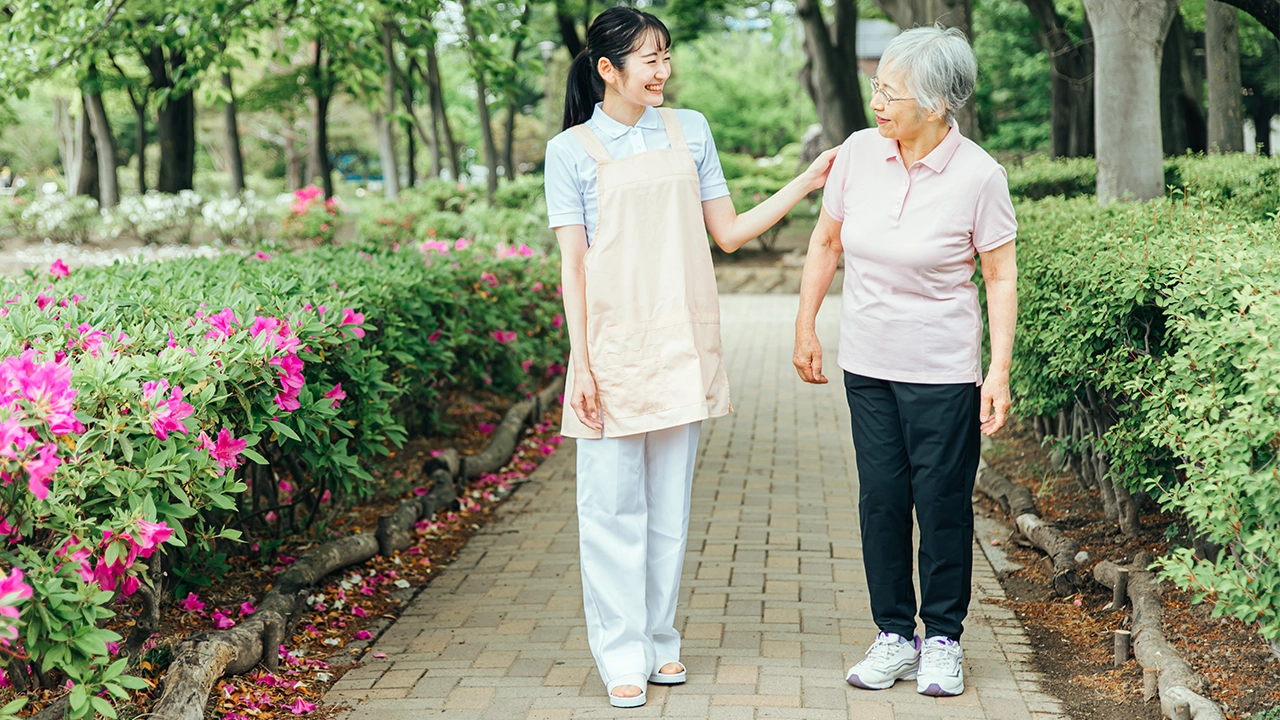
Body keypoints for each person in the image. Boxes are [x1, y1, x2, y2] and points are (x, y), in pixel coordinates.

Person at [545, 7, 837, 709]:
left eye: (666, 57)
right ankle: (620, 658)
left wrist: (807, 181)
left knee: (669, 509)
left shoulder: (690, 130)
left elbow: (729, 233)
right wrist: (579, 363)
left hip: (680, 340)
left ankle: (658, 643)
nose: (662, 71)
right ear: (607, 69)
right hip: (612, 350)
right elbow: (574, 268)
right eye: (648, 60)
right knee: (611, 506)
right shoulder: (572, 150)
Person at [792, 25, 1018, 698]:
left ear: (938, 103)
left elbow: (1000, 276)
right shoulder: (860, 153)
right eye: (877, 87)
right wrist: (805, 324)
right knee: (882, 501)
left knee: (943, 503)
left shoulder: (979, 174)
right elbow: (826, 242)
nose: (878, 102)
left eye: (891, 91)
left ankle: (943, 639)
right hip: (868, 362)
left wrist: (997, 370)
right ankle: (895, 633)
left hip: (943, 370)